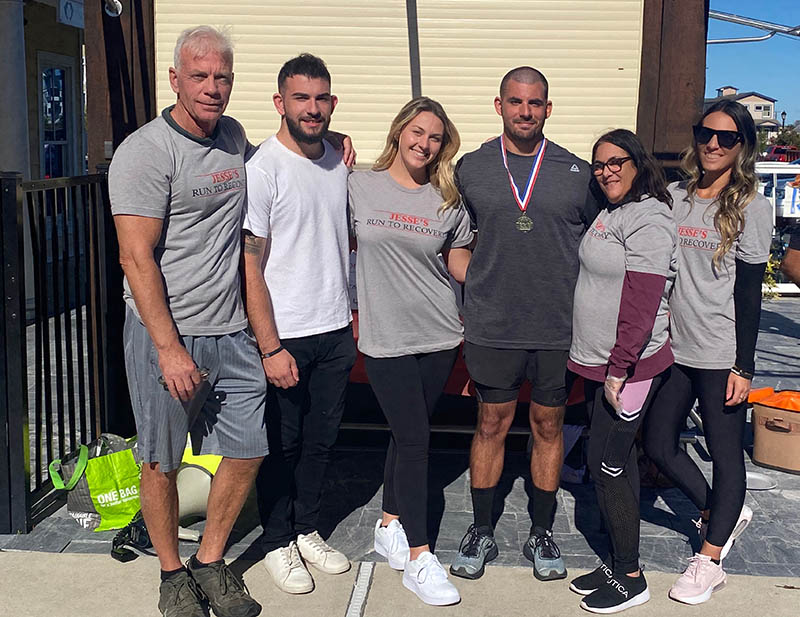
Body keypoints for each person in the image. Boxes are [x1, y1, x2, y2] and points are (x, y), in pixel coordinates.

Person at [109, 26, 265, 617]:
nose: (213, 87)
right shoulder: (146, 151)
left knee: (248, 449)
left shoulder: (232, 137)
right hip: (166, 334)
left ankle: (211, 560)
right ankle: (172, 573)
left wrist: (331, 142)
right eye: (199, 76)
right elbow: (134, 256)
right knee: (161, 458)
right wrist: (169, 349)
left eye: (222, 76)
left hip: (232, 330)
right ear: (174, 80)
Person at [450, 66, 599, 581]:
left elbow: (610, 237)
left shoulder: (579, 174)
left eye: (535, 103)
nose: (525, 112)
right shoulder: (469, 168)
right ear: (499, 106)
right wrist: (482, 281)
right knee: (490, 424)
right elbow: (450, 236)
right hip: (493, 326)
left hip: (558, 328)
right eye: (515, 102)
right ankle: (481, 529)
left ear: (548, 109)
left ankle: (541, 531)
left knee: (547, 426)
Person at [642, 100, 772, 605]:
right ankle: (721, 510)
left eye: (727, 137)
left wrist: (745, 364)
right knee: (658, 442)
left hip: (720, 352)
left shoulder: (751, 207)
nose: (713, 144)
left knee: (723, 454)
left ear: (743, 146)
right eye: (705, 133)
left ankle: (710, 558)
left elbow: (749, 293)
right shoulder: (675, 196)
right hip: (676, 347)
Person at [349, 97, 472, 605]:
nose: (424, 143)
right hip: (384, 339)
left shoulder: (447, 198)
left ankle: (390, 524)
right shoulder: (356, 184)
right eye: (417, 132)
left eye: (435, 137)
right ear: (399, 131)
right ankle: (420, 557)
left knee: (407, 434)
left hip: (440, 333)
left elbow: (459, 260)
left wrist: (505, 279)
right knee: (417, 437)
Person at [242, 53, 357, 595]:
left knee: (321, 441)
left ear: (331, 104)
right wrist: (269, 347)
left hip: (334, 330)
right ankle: (276, 540)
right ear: (279, 103)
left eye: (321, 98)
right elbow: (250, 263)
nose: (312, 109)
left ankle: (307, 528)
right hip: (285, 334)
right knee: (281, 446)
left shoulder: (336, 157)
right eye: (301, 98)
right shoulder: (262, 169)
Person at [567, 129, 677, 613]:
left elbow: (643, 299)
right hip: (603, 364)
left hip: (628, 368)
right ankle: (616, 558)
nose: (606, 170)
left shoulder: (649, 217)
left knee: (609, 468)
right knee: (607, 462)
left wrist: (620, 366)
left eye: (616, 161)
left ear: (637, 163)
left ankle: (631, 577)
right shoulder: (613, 213)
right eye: (599, 164)